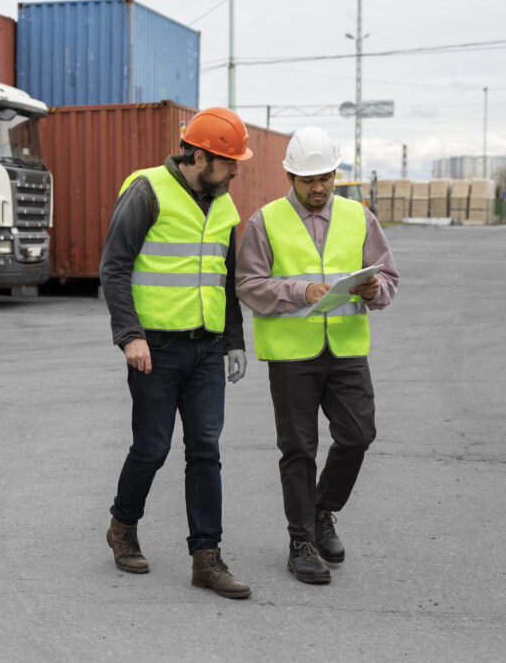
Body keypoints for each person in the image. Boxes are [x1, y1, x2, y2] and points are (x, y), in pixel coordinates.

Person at [235, 126, 399, 585]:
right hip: (292, 357)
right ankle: (301, 541)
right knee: (298, 450)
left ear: (335, 173)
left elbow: (389, 279)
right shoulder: (264, 222)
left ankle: (323, 509)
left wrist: (374, 288)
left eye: (325, 176)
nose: (318, 187)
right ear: (290, 175)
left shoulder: (360, 218)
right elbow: (248, 285)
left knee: (357, 436)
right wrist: (299, 290)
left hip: (345, 349)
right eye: (308, 179)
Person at [100, 107, 253, 599]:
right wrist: (130, 334)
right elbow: (114, 267)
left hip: (207, 349)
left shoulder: (225, 205)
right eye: (229, 162)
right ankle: (122, 526)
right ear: (201, 156)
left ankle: (206, 557)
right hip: (156, 349)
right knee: (152, 448)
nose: (236, 170)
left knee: (205, 449)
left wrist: (233, 339)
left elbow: (224, 280)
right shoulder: (147, 192)